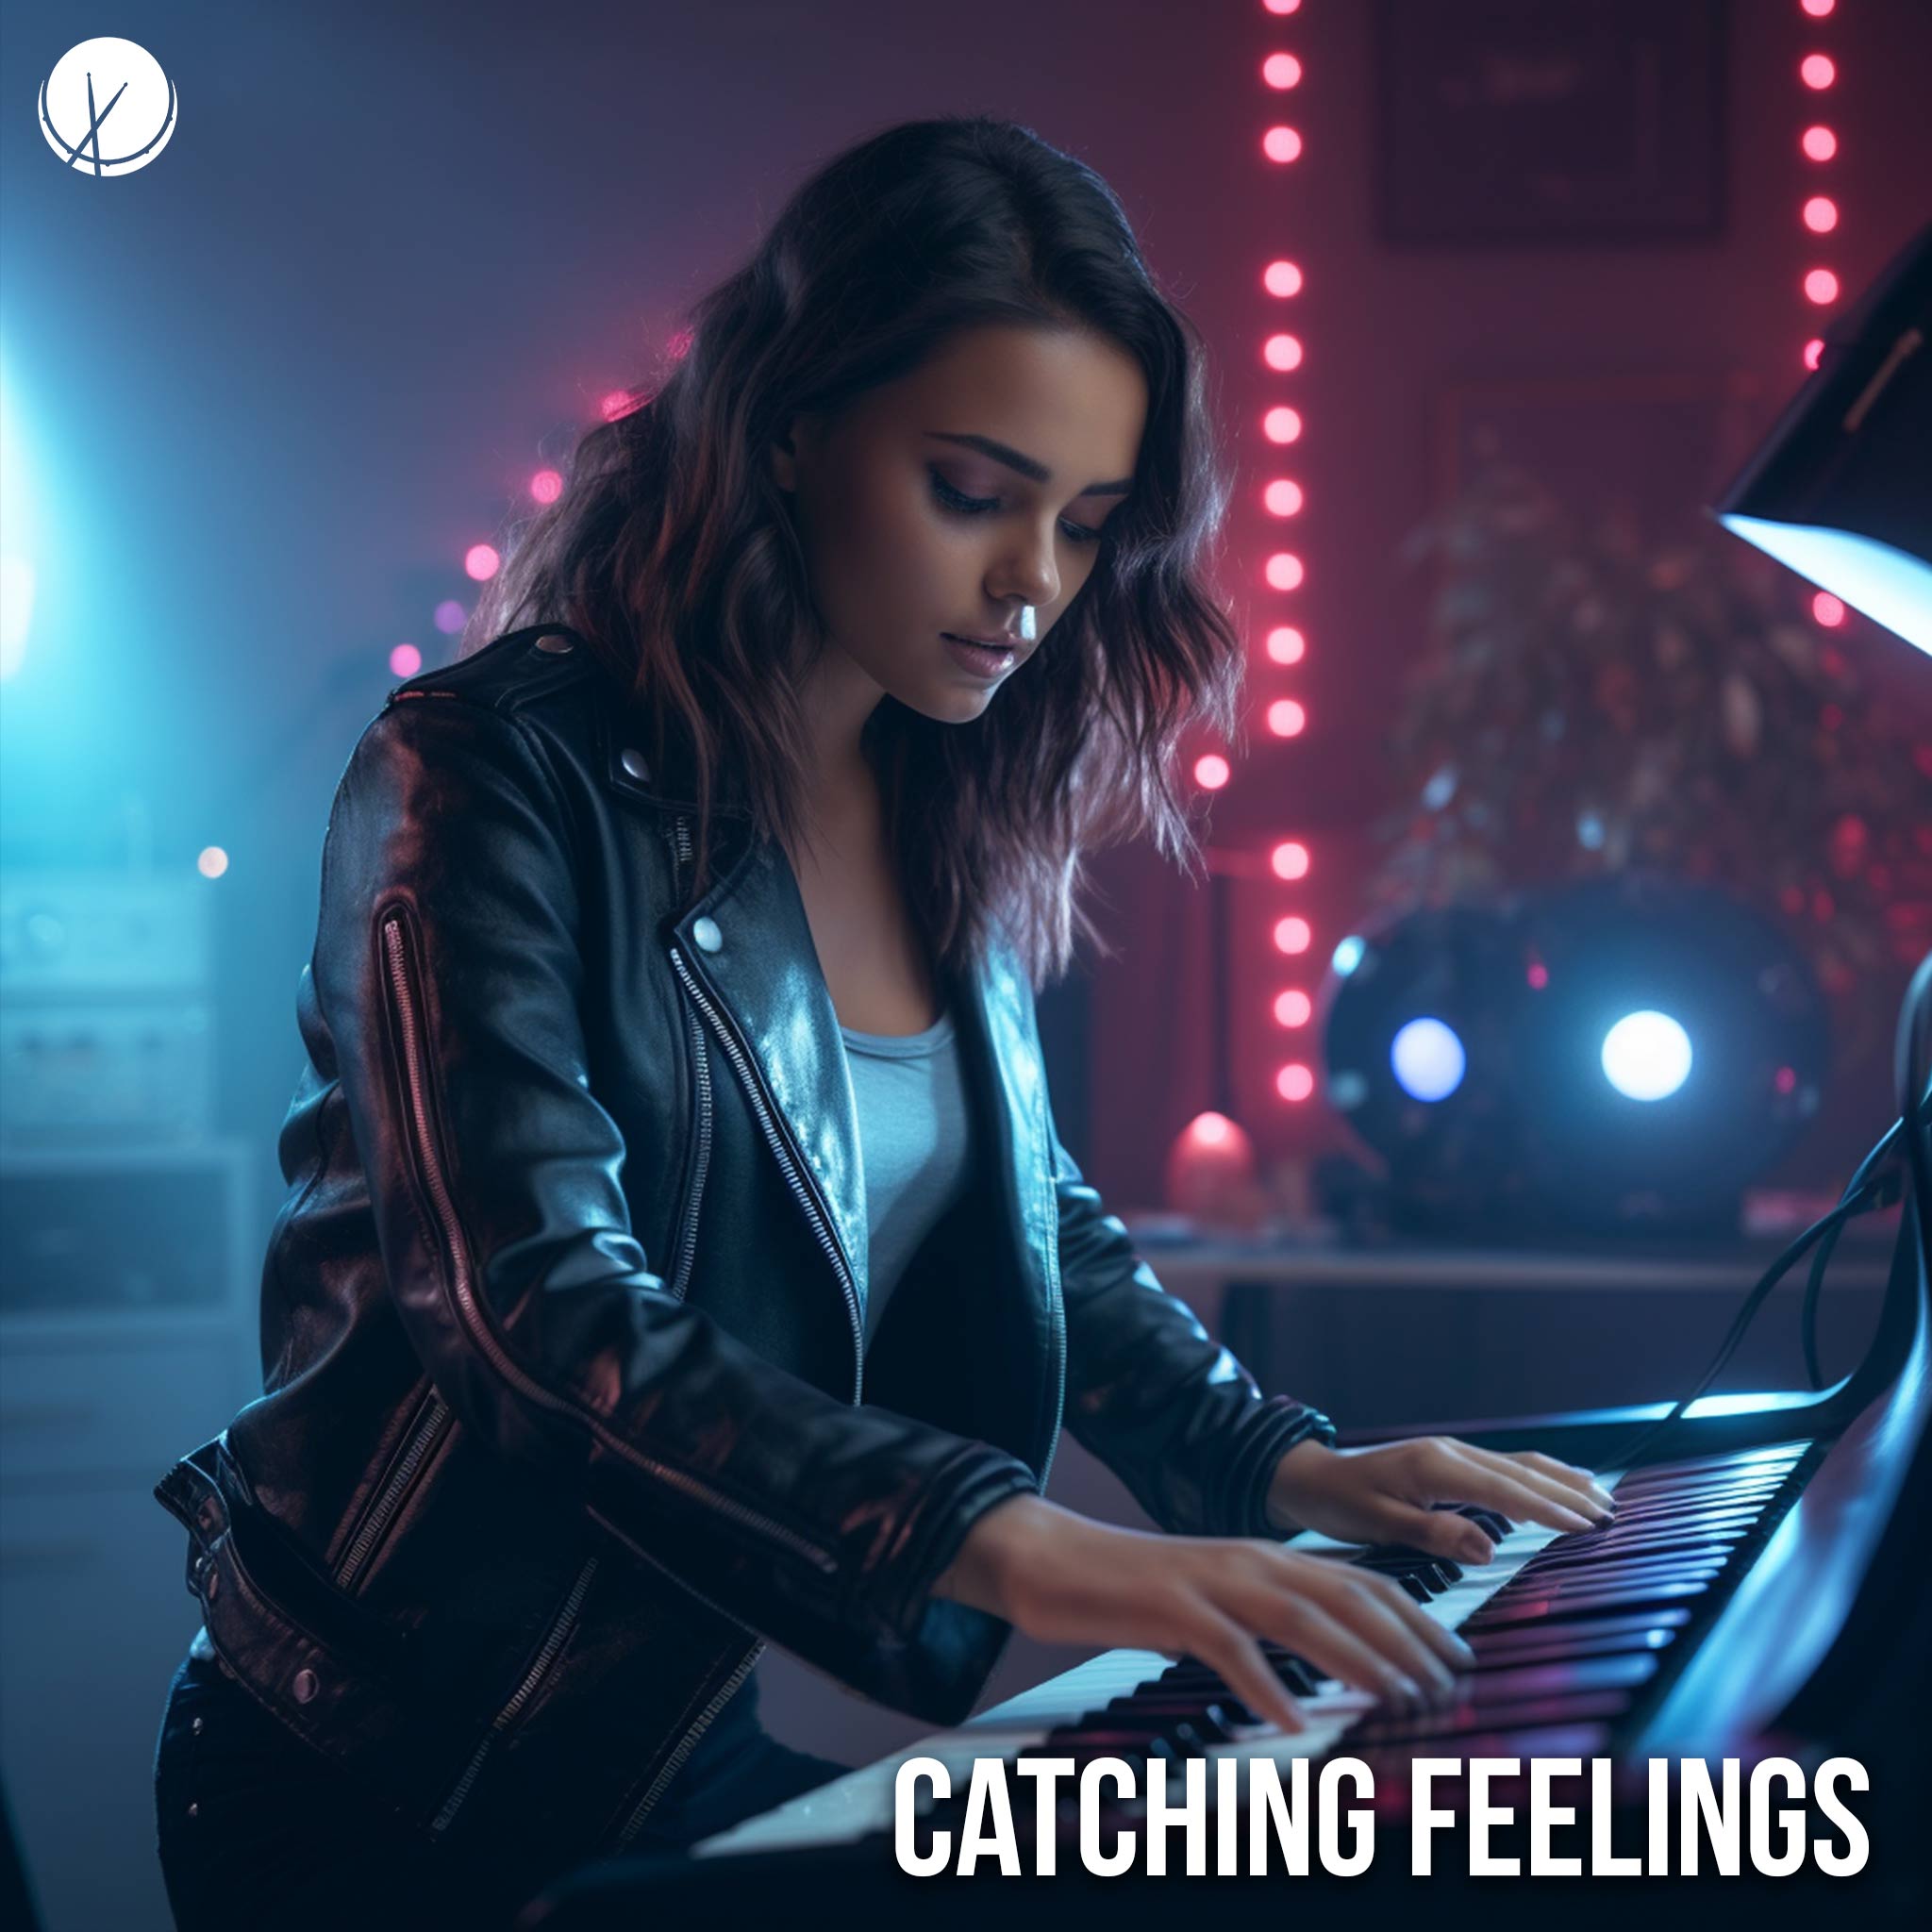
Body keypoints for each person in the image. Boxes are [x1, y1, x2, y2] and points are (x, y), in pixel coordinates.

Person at [151, 113, 1613, 1930]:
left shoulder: (937, 793)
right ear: (790, 427)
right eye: (973, 491)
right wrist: (1022, 1550)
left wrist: (1278, 1462)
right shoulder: (476, 775)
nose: (1034, 586)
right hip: (376, 1779)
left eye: (1085, 525)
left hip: (664, 1745)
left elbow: (1032, 1225)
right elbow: (528, 1314)